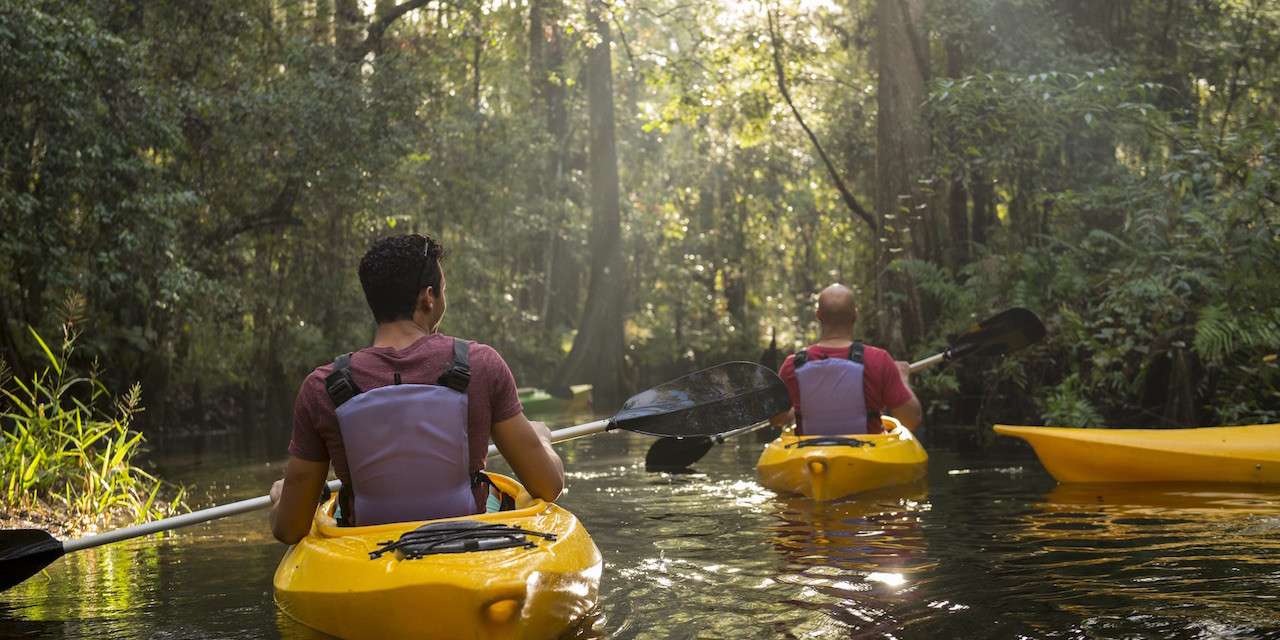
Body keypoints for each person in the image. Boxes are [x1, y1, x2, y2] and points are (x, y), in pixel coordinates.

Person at [269, 234, 564, 544]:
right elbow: (548, 485)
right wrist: (542, 440)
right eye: (444, 291)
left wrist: (280, 498)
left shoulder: (322, 387)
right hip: (469, 554)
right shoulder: (482, 365)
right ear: (428, 297)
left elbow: (289, 529)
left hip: (368, 557)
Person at [771, 284, 922, 435]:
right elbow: (911, 419)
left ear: (818, 315)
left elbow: (776, 419)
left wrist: (796, 411)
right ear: (855, 315)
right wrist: (902, 377)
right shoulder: (879, 360)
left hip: (811, 457)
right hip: (867, 455)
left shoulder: (792, 365)